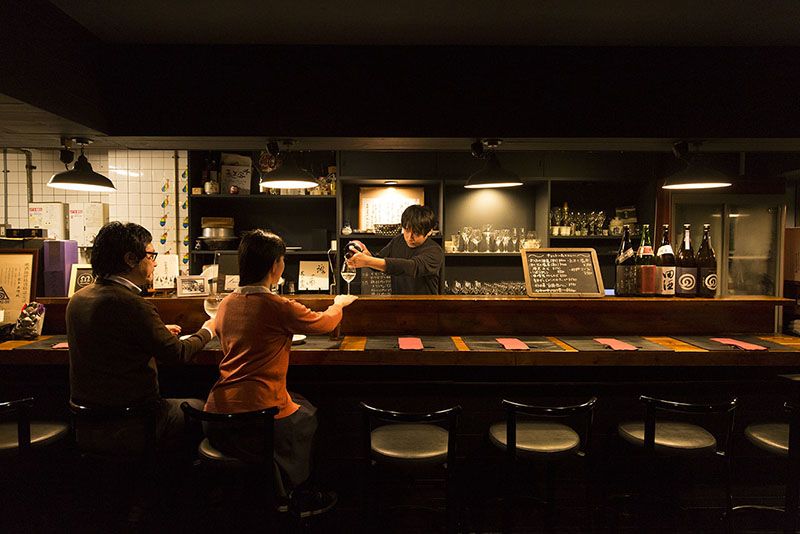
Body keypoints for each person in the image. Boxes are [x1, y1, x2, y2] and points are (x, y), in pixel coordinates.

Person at [204, 229, 357, 513]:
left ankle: (265, 489)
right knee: (311, 415)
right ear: (275, 266)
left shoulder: (225, 304)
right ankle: (293, 493)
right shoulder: (277, 306)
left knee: (298, 402)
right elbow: (323, 324)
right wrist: (338, 305)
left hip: (216, 417)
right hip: (258, 419)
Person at [67, 221, 215, 451]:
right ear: (130, 259)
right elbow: (178, 353)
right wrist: (208, 329)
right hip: (134, 421)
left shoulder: (79, 298)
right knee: (200, 407)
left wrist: (156, 329)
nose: (154, 262)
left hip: (87, 422)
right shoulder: (132, 304)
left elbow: (115, 334)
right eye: (150, 255)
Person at [345, 204, 443, 294]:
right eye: (407, 230)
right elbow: (379, 261)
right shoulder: (398, 241)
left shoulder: (435, 251)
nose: (409, 237)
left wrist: (368, 261)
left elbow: (412, 267)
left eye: (416, 233)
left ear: (429, 232)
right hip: (398, 303)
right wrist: (367, 255)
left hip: (426, 305)